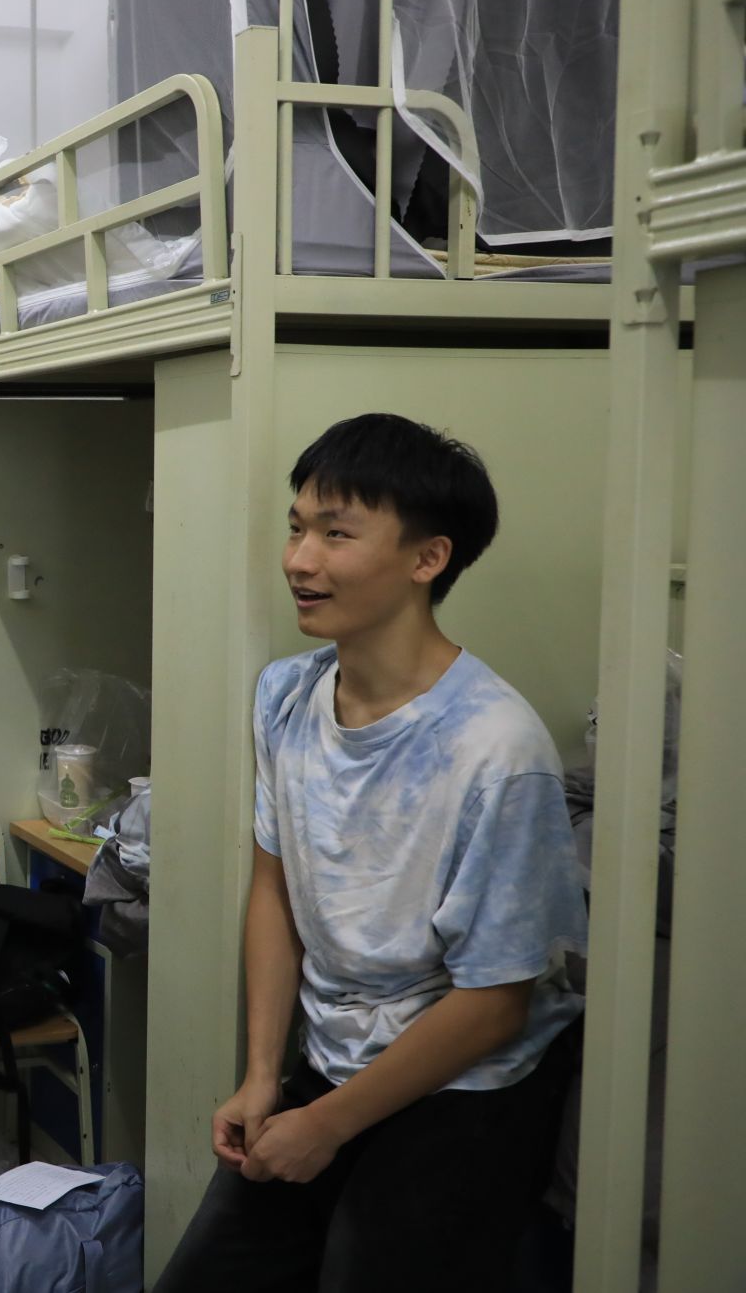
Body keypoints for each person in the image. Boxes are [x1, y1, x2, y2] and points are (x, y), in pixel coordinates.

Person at [154, 414, 587, 1293]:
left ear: (429, 558)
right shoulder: (287, 694)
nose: (299, 559)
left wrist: (327, 1125)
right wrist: (263, 1076)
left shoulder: (496, 748)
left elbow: (495, 1004)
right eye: (296, 528)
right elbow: (275, 889)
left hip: (463, 1085)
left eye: (335, 533)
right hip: (331, 1057)